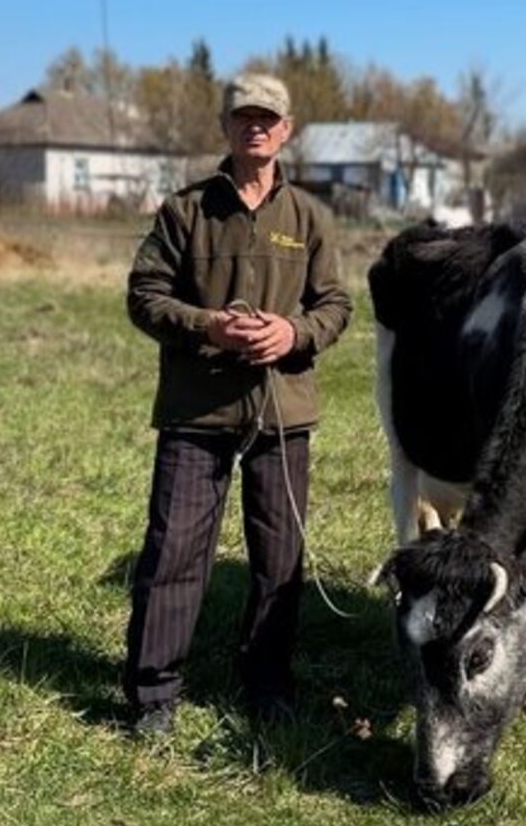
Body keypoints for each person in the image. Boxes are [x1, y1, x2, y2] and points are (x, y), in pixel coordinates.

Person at [123, 74, 352, 736]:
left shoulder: (310, 217)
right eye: (243, 116)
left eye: (268, 118)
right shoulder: (185, 210)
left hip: (283, 416)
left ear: (286, 130)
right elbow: (145, 296)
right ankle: (153, 697)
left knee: (279, 560)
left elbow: (335, 305)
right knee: (173, 554)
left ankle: (268, 684)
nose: (256, 127)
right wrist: (207, 326)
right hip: (198, 414)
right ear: (226, 126)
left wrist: (293, 333)